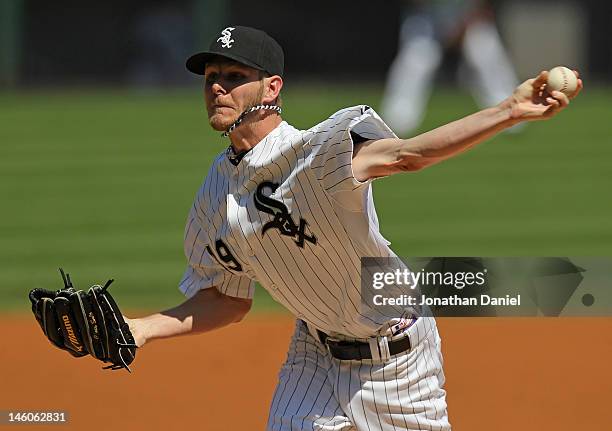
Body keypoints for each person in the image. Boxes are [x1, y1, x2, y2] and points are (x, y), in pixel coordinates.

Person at [125, 25, 582, 430]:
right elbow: (226, 298)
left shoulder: (319, 153)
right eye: (211, 78)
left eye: (234, 77)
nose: (217, 88)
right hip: (314, 355)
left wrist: (509, 110)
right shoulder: (214, 193)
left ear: (271, 89)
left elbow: (409, 155)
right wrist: (143, 328)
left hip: (398, 359)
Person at [382, 0, 521, 136]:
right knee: (417, 56)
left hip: (468, 13)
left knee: (484, 51)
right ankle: (400, 115)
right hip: (427, 14)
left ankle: (508, 111)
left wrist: (464, 22)